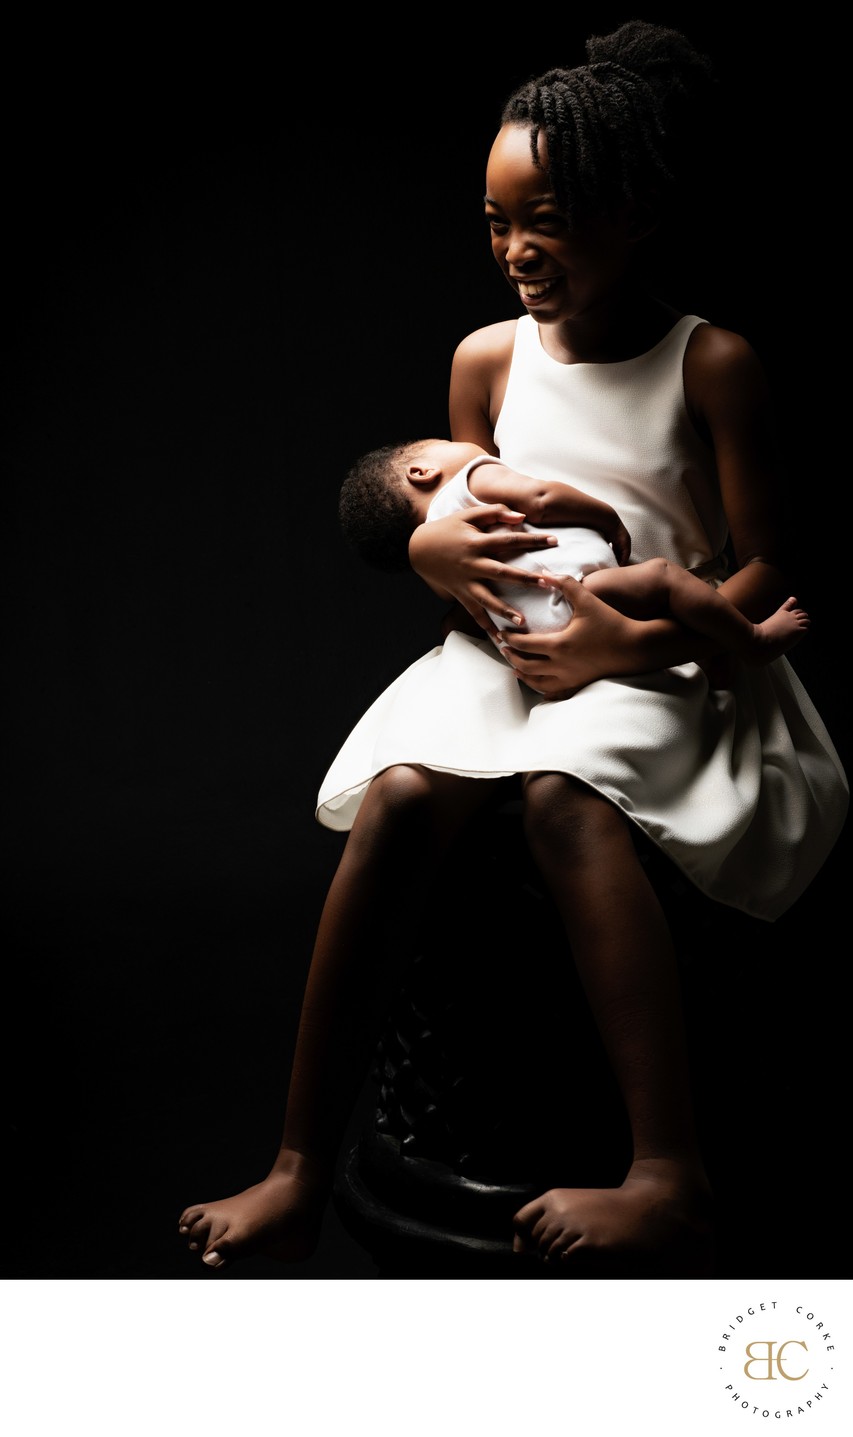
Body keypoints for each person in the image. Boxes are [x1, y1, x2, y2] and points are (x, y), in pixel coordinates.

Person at [179, 20, 848, 1274]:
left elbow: (766, 566)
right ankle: (297, 1167)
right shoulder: (485, 360)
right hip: (507, 651)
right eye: (494, 223)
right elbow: (467, 521)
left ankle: (666, 1170)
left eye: (547, 219)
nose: (515, 252)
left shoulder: (710, 363)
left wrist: (623, 644)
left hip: (667, 649)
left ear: (637, 212)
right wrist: (434, 556)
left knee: (561, 799)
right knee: (398, 799)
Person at [338, 436, 810, 663]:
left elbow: (460, 614)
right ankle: (752, 641)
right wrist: (605, 517)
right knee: (663, 579)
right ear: (422, 472)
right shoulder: (471, 480)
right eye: (443, 441)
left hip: (540, 636)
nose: (461, 443)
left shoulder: (439, 558)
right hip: (585, 590)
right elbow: (542, 500)